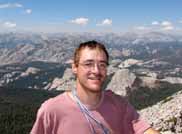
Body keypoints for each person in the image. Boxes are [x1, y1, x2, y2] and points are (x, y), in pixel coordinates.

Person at [31, 40, 160, 134]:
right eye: (88, 64)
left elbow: (144, 130)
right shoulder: (51, 110)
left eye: (102, 65)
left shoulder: (119, 105)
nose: (96, 71)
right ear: (75, 67)